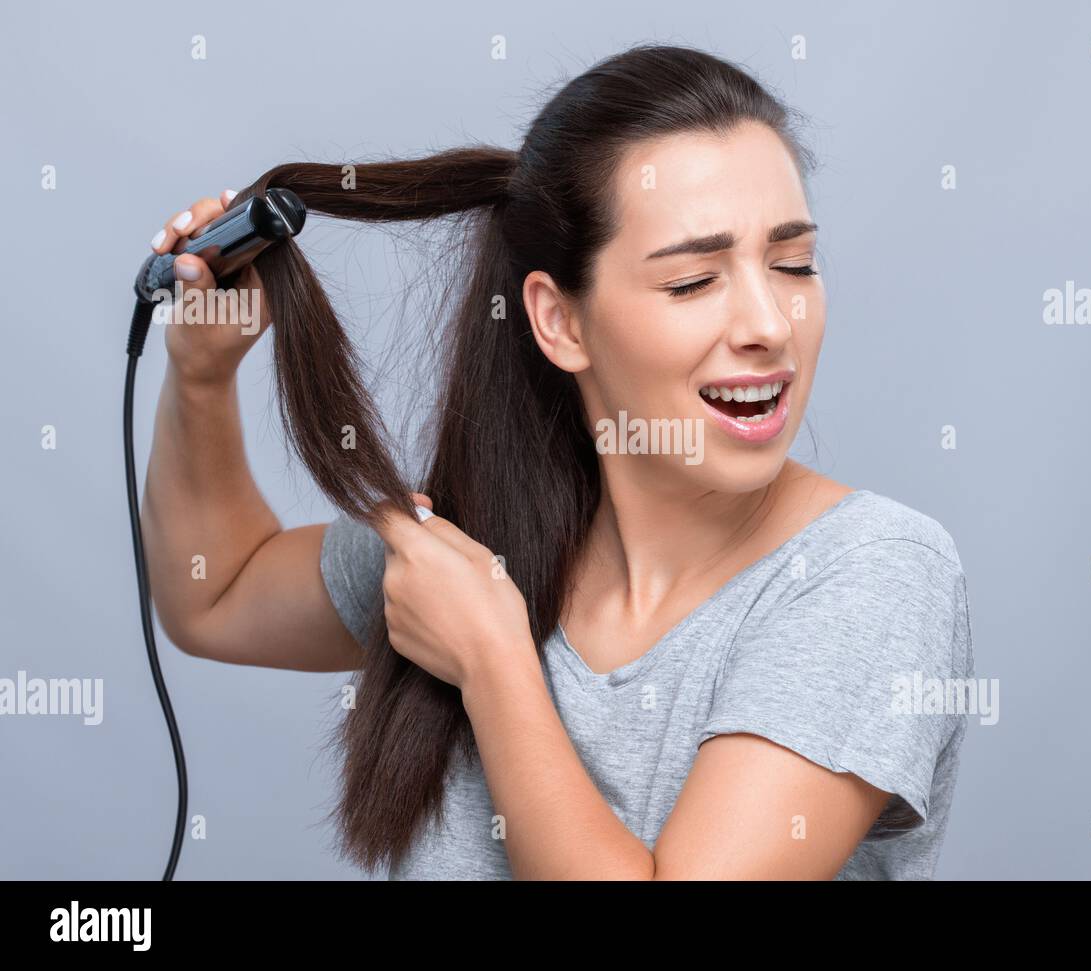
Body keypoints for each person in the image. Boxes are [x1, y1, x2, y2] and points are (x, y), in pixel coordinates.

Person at [141, 43, 973, 880]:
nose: (770, 322)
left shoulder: (872, 575)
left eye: (794, 264)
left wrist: (493, 662)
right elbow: (215, 592)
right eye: (693, 281)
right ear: (559, 322)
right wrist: (203, 374)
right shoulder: (480, 537)